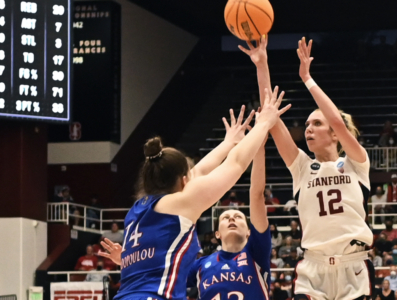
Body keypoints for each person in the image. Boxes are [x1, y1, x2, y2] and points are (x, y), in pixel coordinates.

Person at [98, 94, 290, 300]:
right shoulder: (180, 204)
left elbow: (197, 173)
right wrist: (264, 124)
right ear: (183, 181)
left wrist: (228, 143)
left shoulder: (137, 210)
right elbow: (236, 164)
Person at [240, 35, 375, 300]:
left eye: (316, 124)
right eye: (307, 124)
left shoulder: (356, 163)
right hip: (313, 269)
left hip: (354, 266)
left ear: (336, 134)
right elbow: (271, 117)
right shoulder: (302, 167)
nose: (309, 129)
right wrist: (261, 65)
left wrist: (307, 79)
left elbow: (337, 120)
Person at [186, 134, 272, 300]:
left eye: (238, 217)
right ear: (217, 234)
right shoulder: (201, 265)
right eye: (225, 218)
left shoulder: (257, 253)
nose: (232, 218)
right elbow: (164, 275)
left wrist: (258, 148)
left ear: (249, 232)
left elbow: (256, 195)